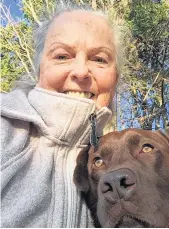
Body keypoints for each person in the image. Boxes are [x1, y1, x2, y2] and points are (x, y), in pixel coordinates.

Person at [1, 1, 123, 227]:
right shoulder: (4, 129)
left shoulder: (121, 168)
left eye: (99, 59)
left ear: (115, 78)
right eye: (62, 56)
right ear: (40, 69)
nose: (80, 71)